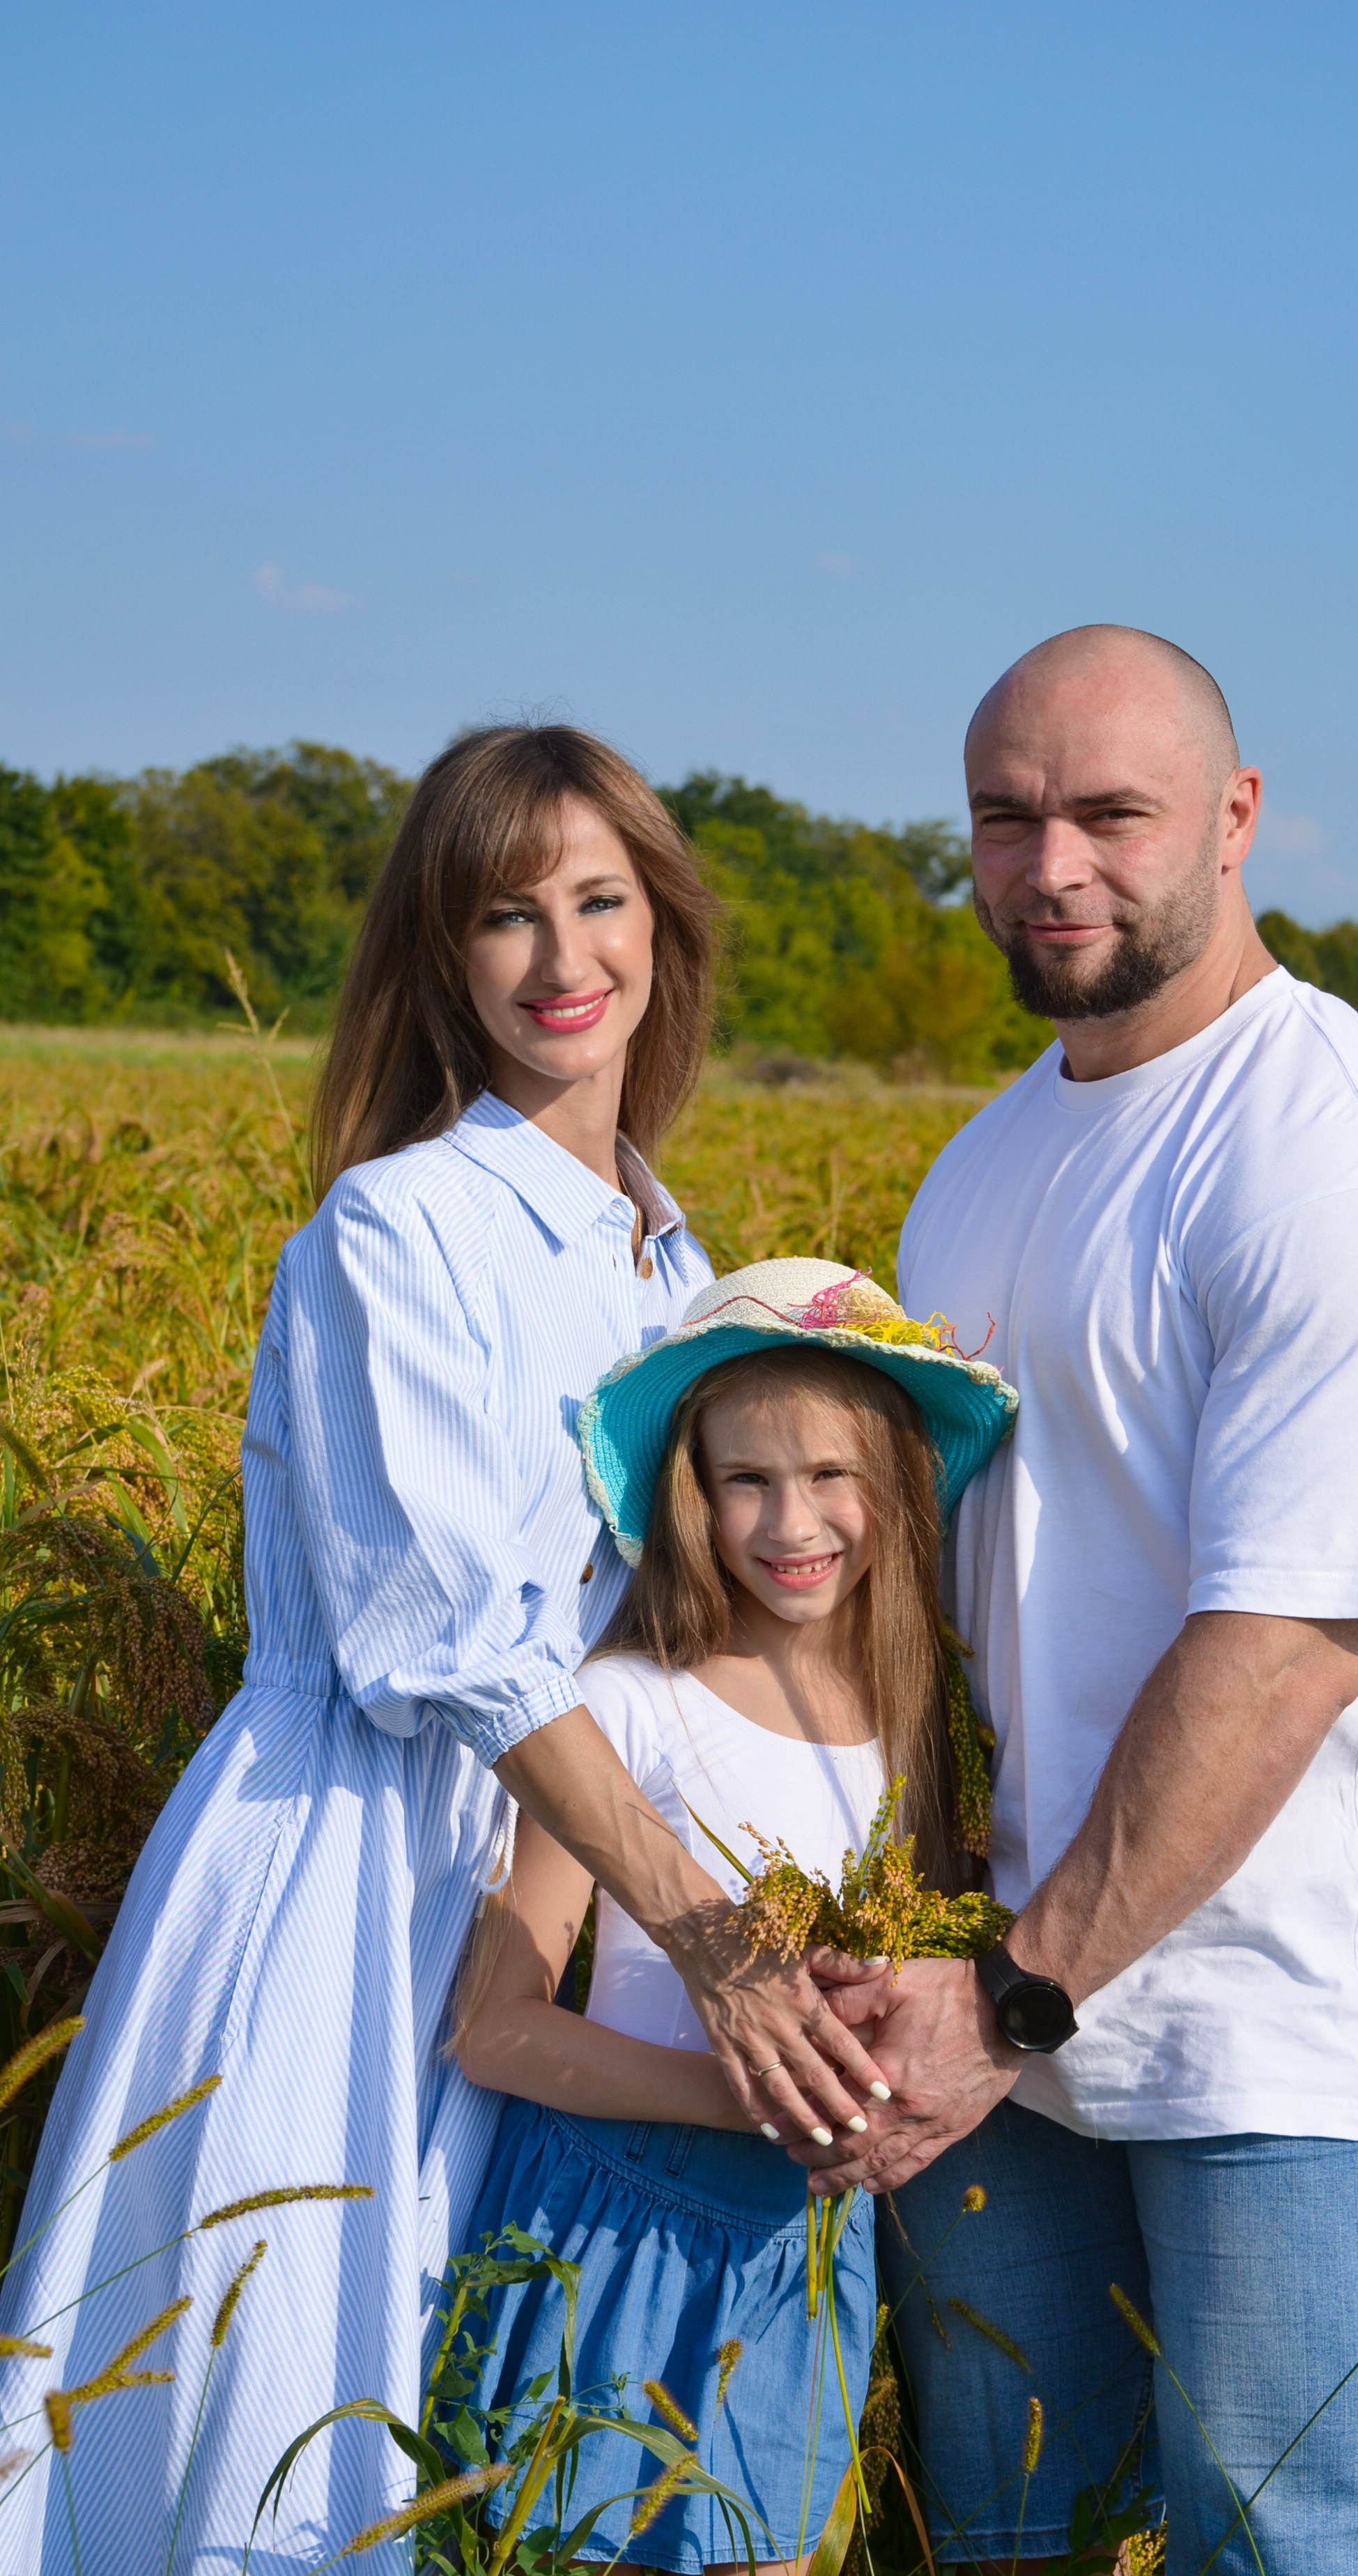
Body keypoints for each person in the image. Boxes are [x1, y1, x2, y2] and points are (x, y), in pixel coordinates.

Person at [0, 730, 887, 2575]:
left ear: (665, 928)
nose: (562, 957)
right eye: (505, 914)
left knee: (505, 2425)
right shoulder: (397, 1228)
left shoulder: (669, 1256)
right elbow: (455, 1641)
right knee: (305, 2420)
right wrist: (712, 1938)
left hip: (568, 1900)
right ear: (442, 957)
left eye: (598, 900)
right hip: (358, 1866)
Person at [803, 628, 1358, 2573]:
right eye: (1006, 816)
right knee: (1003, 2525)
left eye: (1111, 813)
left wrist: (1014, 1993)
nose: (1052, 865)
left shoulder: (1349, 1169)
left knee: (1286, 2538)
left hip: (1271, 2041)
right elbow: (953, 1608)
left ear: (1235, 821)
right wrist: (916, 1939)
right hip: (992, 2004)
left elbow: (1286, 1642)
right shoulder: (978, 1170)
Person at [449, 1260, 1016, 2570]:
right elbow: (496, 2028)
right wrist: (751, 2094)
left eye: (831, 1477)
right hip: (616, 2221)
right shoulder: (629, 1706)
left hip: (801, 2243)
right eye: (744, 1479)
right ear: (690, 1497)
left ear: (893, 1486)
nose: (790, 1519)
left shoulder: (921, 1728)